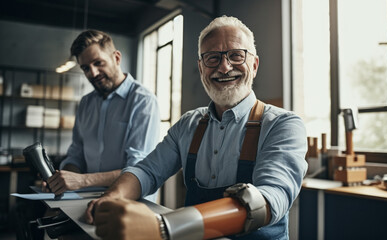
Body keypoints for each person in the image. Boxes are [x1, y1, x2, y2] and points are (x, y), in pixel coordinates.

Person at [86, 16, 308, 240]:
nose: (224, 67)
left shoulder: (283, 125)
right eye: (212, 58)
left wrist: (165, 228)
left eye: (236, 55)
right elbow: (147, 171)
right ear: (201, 68)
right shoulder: (188, 124)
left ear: (254, 64)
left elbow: (271, 198)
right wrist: (112, 197)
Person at [43, 29, 161, 202]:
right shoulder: (85, 103)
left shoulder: (143, 101)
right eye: (85, 68)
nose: (93, 73)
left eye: (98, 63)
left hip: (131, 204)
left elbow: (138, 169)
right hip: (88, 199)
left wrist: (82, 180)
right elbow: (76, 154)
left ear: (117, 58)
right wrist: (62, 180)